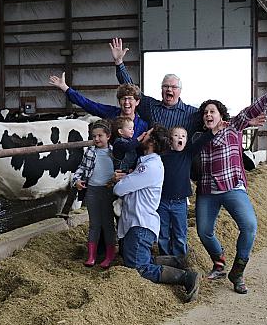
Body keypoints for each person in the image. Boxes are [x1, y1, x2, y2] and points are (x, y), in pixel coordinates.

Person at [194, 82, 267, 294]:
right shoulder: (198, 138)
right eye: (205, 112)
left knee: (249, 226)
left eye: (212, 111)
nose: (208, 114)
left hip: (232, 187)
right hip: (207, 191)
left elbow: (252, 110)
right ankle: (219, 263)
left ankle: (238, 272)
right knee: (204, 232)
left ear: (221, 115)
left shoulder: (234, 126)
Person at [113, 124, 201, 303]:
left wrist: (124, 180)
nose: (142, 135)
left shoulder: (150, 166)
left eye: (146, 134)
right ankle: (173, 261)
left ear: (151, 142)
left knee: (139, 268)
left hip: (140, 225)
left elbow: (120, 189)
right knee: (133, 256)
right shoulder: (145, 164)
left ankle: (186, 277)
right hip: (138, 225)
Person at [157, 121, 226, 258]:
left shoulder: (187, 154)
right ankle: (165, 258)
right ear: (170, 140)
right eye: (176, 135)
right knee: (162, 232)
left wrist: (215, 130)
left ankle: (180, 258)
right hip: (162, 201)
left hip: (180, 202)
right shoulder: (162, 157)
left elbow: (201, 142)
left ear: (186, 140)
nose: (180, 138)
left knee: (180, 232)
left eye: (183, 136)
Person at [109, 38, 200, 138]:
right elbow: (131, 89)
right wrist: (119, 63)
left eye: (173, 87)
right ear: (161, 89)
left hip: (180, 154)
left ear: (180, 90)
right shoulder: (149, 106)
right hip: (152, 153)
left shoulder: (192, 113)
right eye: (165, 86)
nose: (169, 89)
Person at [72, 119, 117, 269]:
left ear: (108, 136)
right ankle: (91, 256)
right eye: (94, 136)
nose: (96, 139)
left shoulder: (115, 152)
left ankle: (109, 256)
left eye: (100, 136)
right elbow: (81, 168)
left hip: (109, 191)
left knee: (108, 225)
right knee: (94, 224)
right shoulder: (90, 152)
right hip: (92, 190)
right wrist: (76, 180)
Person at [48, 72, 149, 139]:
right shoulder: (111, 113)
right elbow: (88, 104)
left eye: (130, 99)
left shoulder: (142, 125)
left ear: (137, 102)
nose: (126, 102)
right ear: (119, 101)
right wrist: (65, 88)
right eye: (123, 99)